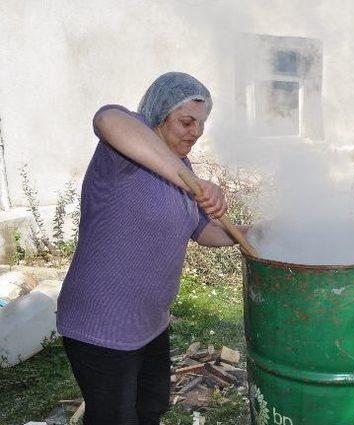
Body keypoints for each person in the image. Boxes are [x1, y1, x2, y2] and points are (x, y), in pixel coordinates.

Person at [56, 72, 240, 425]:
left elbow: (201, 230)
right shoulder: (122, 156)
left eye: (201, 124)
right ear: (158, 114)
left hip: (149, 323)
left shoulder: (182, 167)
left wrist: (251, 233)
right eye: (187, 122)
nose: (196, 132)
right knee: (114, 418)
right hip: (102, 324)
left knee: (150, 408)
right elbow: (107, 118)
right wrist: (193, 181)